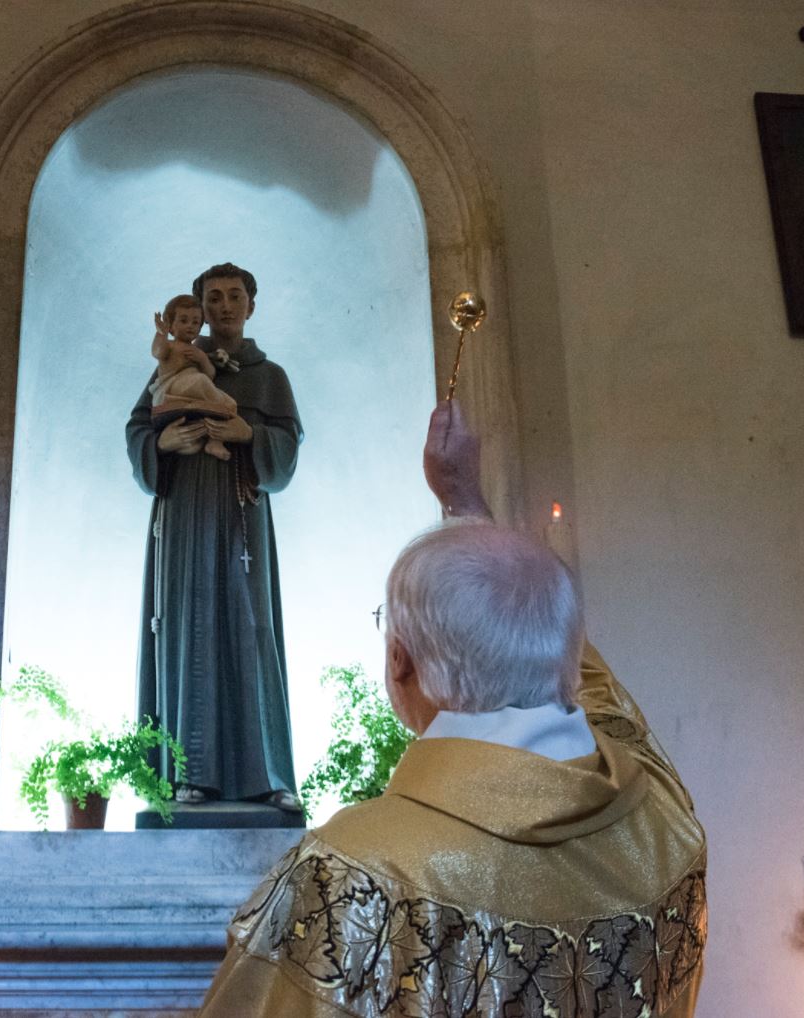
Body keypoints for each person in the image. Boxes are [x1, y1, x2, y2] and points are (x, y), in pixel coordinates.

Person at [200, 403, 707, 1016]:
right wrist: (468, 504)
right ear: (565, 660)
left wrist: (463, 505)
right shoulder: (663, 819)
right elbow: (595, 694)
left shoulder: (349, 878)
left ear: (400, 661)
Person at [126, 262, 303, 813]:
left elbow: (287, 448)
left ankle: (268, 775)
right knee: (186, 629)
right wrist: (163, 446)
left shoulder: (267, 376)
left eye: (234, 296)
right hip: (182, 521)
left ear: (251, 304)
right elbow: (138, 427)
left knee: (252, 631)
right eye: (213, 298)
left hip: (241, 520)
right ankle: (189, 774)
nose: (224, 306)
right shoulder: (176, 363)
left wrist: (249, 433)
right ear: (199, 309)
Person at [147, 294, 239, 461]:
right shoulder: (169, 346)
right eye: (183, 321)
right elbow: (157, 352)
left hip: (193, 390)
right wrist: (161, 334)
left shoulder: (198, 352)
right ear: (171, 325)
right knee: (200, 381)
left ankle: (214, 441)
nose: (190, 326)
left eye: (195, 322)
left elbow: (210, 375)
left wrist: (203, 359)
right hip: (170, 389)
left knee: (230, 403)